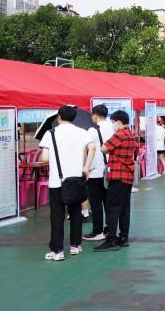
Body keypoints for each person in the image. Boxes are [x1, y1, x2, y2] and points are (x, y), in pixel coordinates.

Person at [39, 105, 95, 261]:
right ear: (74, 118)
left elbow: (44, 158)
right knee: (75, 213)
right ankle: (75, 246)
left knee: (57, 216)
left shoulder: (50, 133)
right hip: (76, 179)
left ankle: (57, 251)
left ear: (59, 117)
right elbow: (92, 148)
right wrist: (86, 168)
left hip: (57, 181)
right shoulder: (81, 132)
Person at [93, 110, 138, 252]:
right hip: (127, 176)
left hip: (117, 175)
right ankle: (123, 237)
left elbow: (103, 148)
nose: (112, 125)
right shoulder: (130, 134)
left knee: (112, 208)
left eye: (113, 122)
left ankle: (111, 240)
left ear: (118, 122)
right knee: (124, 208)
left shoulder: (119, 134)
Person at [82, 104, 114, 242]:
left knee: (95, 203)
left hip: (95, 171)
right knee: (109, 202)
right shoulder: (113, 128)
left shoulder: (93, 130)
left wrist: (85, 167)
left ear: (95, 115)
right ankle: (110, 230)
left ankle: (97, 231)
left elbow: (85, 147)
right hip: (111, 170)